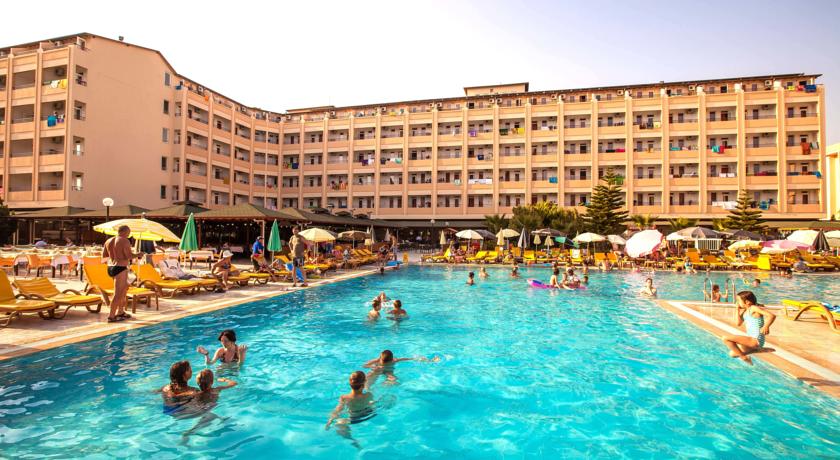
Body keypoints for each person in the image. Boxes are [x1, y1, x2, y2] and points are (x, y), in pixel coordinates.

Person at [721, 291, 776, 365]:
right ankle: (757, 350)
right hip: (751, 339)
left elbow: (771, 315)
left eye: (738, 301)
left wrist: (766, 326)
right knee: (732, 354)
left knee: (725, 338)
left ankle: (744, 358)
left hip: (756, 339)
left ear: (747, 302)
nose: (737, 303)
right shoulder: (745, 311)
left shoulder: (753, 308)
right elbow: (738, 323)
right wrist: (737, 309)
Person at [102, 225, 139, 322]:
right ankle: (111, 316)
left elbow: (104, 256)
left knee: (124, 289)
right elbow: (129, 256)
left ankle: (120, 311)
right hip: (120, 267)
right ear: (124, 231)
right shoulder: (124, 240)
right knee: (118, 293)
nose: (129, 235)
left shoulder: (108, 241)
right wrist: (138, 254)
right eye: (128, 232)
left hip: (111, 267)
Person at [362, 349, 438, 386]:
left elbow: (365, 365)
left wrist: (372, 366)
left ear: (380, 357)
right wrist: (430, 360)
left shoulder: (378, 360)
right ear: (392, 358)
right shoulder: (393, 360)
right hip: (384, 370)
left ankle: (369, 385)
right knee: (393, 379)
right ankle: (384, 384)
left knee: (368, 377)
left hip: (383, 371)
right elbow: (408, 359)